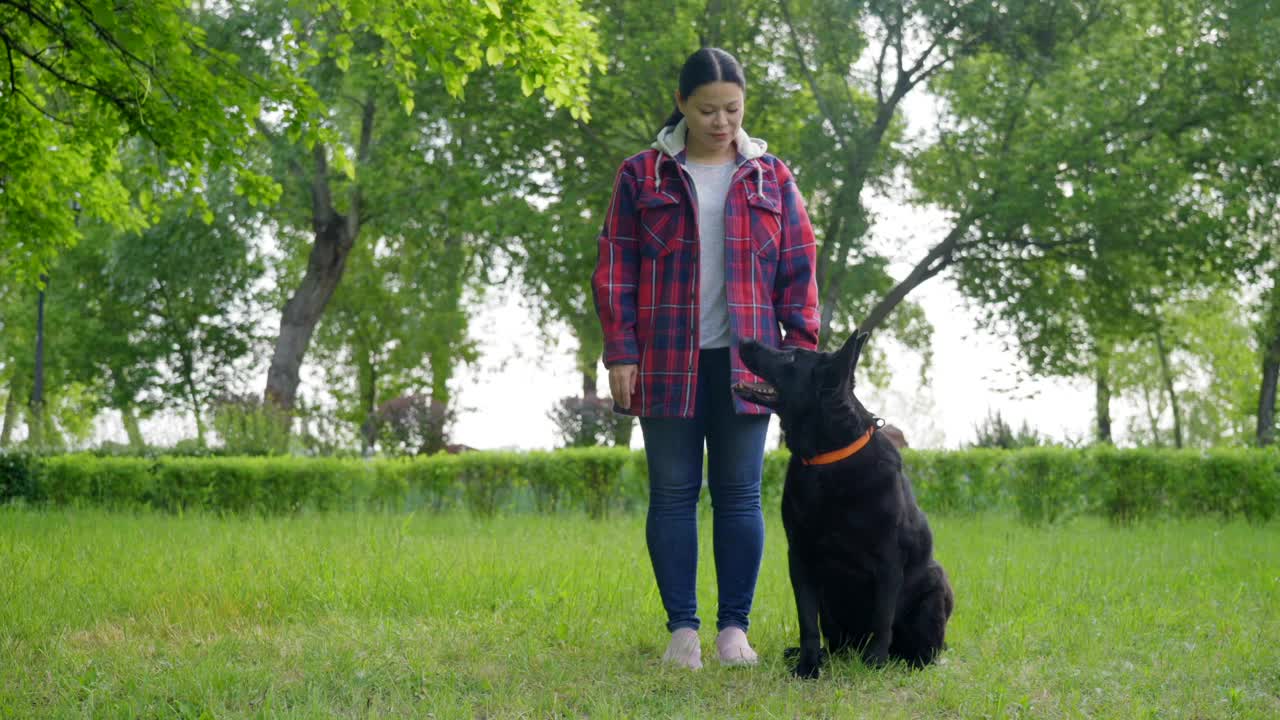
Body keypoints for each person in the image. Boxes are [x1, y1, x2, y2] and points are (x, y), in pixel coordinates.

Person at [590, 47, 820, 669]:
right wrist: (620, 352)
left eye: (733, 109)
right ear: (682, 105)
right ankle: (682, 632)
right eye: (708, 110)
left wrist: (800, 359)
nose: (722, 122)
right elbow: (616, 267)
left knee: (741, 494)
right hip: (664, 359)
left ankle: (734, 631)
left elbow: (798, 272)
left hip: (749, 367)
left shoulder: (773, 176)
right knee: (671, 492)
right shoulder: (642, 175)